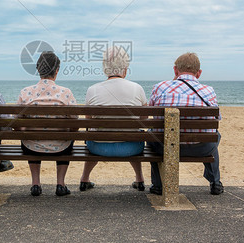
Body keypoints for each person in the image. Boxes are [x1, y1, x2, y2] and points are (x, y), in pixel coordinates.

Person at [148, 52, 223, 195]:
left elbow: (152, 112)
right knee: (214, 135)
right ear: (199, 73)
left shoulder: (160, 87)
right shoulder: (209, 91)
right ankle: (215, 182)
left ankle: (158, 185)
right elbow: (217, 118)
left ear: (175, 70)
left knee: (152, 135)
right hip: (201, 148)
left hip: (165, 147)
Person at [79, 46, 148, 192]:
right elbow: (144, 117)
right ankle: (140, 179)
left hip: (99, 147)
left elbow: (88, 119)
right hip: (131, 148)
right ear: (125, 68)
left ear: (105, 67)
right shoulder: (137, 88)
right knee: (135, 132)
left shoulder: (93, 89)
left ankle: (84, 179)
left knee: (93, 132)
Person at [17, 51, 77, 197]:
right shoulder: (65, 92)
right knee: (69, 136)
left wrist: (26, 130)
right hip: (61, 147)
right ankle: (60, 184)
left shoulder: (26, 92)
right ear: (57, 70)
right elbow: (75, 122)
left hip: (32, 147)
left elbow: (16, 123)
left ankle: (36, 184)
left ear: (38, 69)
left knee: (28, 136)